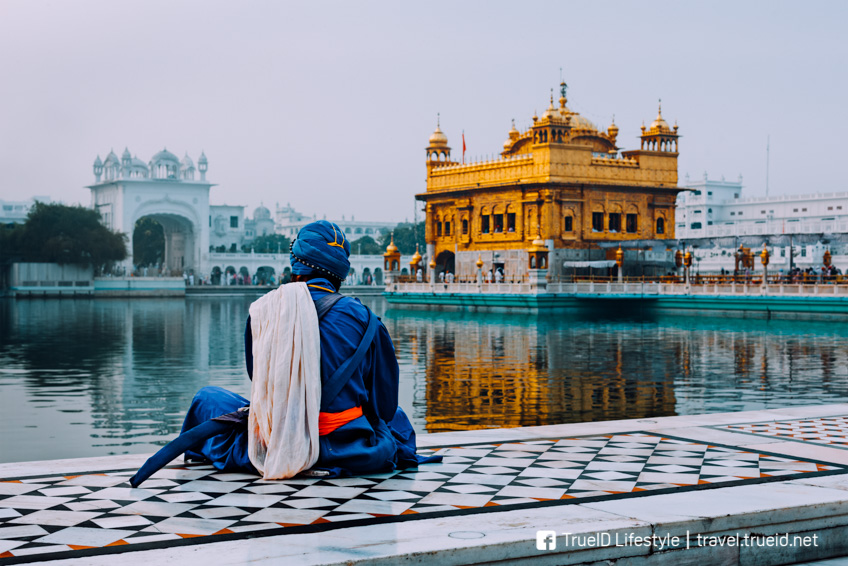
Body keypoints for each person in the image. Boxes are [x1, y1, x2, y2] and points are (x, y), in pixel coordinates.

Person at [130, 220, 438, 486]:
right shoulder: (367, 319)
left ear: (296, 267)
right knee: (397, 418)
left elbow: (260, 384)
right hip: (348, 447)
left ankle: (275, 452)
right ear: (341, 272)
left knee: (207, 399)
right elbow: (384, 406)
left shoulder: (264, 310)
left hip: (277, 439)